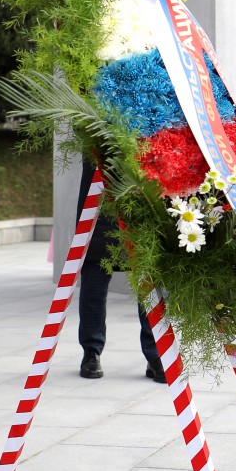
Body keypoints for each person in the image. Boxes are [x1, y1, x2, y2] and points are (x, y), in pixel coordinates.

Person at [76, 161, 166, 383]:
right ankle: (91, 351)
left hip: (144, 186)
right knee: (95, 274)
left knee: (150, 273)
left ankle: (155, 353)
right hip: (101, 189)